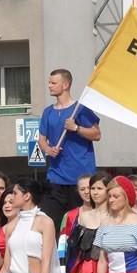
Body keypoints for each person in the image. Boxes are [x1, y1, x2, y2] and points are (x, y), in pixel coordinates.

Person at [37, 69, 101, 231]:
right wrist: (48, 150)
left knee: (81, 225)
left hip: (79, 179)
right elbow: (42, 140)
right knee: (49, 223)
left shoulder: (80, 109)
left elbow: (97, 134)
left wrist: (76, 128)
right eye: (49, 82)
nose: (49, 86)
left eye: (53, 83)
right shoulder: (48, 112)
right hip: (56, 178)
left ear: (65, 85)